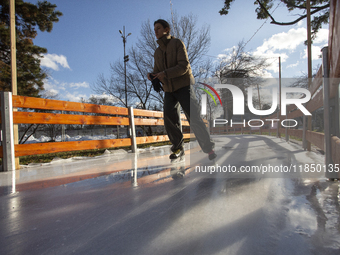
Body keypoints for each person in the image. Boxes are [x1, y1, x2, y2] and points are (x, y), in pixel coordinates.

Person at [148, 19, 216, 161]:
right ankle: (178, 148)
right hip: (169, 89)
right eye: (154, 29)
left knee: (194, 117)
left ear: (167, 29)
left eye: (158, 28)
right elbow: (157, 71)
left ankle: (209, 148)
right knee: (169, 119)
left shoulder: (177, 43)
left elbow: (183, 66)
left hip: (184, 85)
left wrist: (165, 74)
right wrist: (152, 76)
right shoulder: (157, 52)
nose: (156, 31)